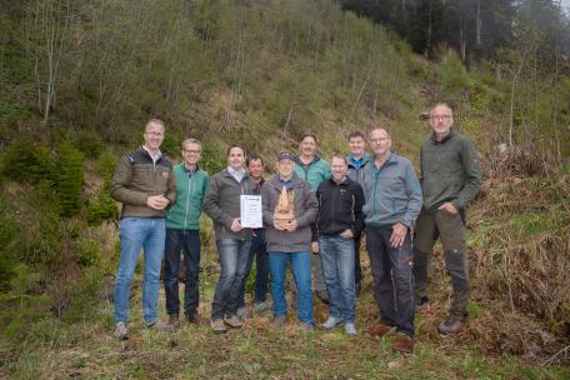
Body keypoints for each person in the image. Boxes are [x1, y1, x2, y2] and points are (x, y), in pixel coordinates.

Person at [414, 103, 481, 335]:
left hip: (450, 211)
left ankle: (458, 313)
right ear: (430, 120)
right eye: (436, 117)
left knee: (455, 262)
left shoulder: (463, 143)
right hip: (427, 210)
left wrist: (457, 204)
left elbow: (474, 180)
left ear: (452, 120)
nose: (440, 121)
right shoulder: (425, 145)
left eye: (445, 117)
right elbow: (424, 177)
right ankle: (420, 298)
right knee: (419, 255)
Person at [110, 118, 176, 339]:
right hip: (134, 222)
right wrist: (146, 199)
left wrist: (168, 200)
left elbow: (173, 191)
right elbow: (116, 189)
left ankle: (151, 319)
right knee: (126, 273)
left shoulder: (168, 163)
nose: (155, 136)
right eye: (152, 132)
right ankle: (121, 321)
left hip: (159, 224)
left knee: (153, 273)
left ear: (163, 136)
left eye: (159, 133)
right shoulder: (130, 159)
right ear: (144, 134)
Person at [363, 127, 422, 353]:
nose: (378, 143)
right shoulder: (367, 167)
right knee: (379, 276)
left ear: (389, 141)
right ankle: (387, 320)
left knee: (402, 276)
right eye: (374, 140)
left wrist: (404, 223)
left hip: (396, 230)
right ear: (370, 143)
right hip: (373, 230)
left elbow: (416, 197)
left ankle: (406, 330)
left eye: (382, 139)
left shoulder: (403, 165)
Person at [262, 152, 318, 330]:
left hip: (299, 242)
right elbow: (261, 210)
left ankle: (306, 319)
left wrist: (298, 222)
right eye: (282, 163)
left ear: (293, 166)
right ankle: (280, 314)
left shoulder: (304, 185)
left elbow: (313, 208)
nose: (285, 166)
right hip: (276, 241)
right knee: (277, 281)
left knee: (303, 282)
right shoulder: (268, 186)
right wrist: (273, 220)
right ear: (277, 165)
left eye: (289, 163)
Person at [203, 145, 255, 333]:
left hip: (247, 235)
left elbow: (254, 206)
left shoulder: (250, 180)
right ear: (227, 158)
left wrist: (254, 221)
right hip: (227, 235)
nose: (235, 158)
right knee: (229, 273)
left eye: (239, 155)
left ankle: (230, 313)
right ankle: (216, 315)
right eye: (232, 155)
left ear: (244, 157)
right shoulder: (218, 178)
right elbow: (208, 204)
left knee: (241, 275)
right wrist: (228, 221)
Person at [316, 154, 365, 336]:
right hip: (325, 239)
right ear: (331, 168)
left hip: (344, 240)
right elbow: (317, 213)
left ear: (346, 168)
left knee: (346, 281)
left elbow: (362, 214)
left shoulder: (355, 188)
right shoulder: (322, 187)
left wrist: (354, 231)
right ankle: (335, 314)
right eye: (334, 166)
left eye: (340, 166)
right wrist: (316, 237)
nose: (337, 169)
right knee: (331, 279)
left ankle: (350, 319)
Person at [163, 138, 209, 328]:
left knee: (192, 271)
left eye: (196, 151)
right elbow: (164, 196)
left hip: (192, 230)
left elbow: (207, 202)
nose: (192, 154)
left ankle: (191, 311)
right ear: (183, 153)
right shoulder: (172, 172)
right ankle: (173, 314)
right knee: (172, 272)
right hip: (172, 227)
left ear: (199, 154)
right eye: (188, 151)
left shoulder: (205, 177)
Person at [294, 134, 331, 303]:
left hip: (318, 214)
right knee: (297, 251)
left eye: (311, 144)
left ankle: (322, 289)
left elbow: (330, 187)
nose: (308, 146)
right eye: (305, 143)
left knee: (318, 251)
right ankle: (298, 290)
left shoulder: (323, 165)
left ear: (316, 146)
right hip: (296, 214)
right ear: (300, 145)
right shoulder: (292, 164)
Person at [237, 154, 270, 319]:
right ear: (248, 168)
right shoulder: (242, 184)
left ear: (263, 167)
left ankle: (260, 300)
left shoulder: (269, 185)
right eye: (253, 166)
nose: (256, 168)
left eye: (259, 165)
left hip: (266, 233)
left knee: (264, 269)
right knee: (244, 269)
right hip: (248, 233)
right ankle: (239, 303)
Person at [346, 131, 372, 295]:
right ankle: (355, 282)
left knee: (374, 248)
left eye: (359, 142)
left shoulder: (373, 162)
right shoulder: (343, 164)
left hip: (372, 212)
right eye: (353, 142)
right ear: (349, 145)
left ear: (364, 144)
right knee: (352, 250)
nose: (356, 145)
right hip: (352, 214)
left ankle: (380, 281)